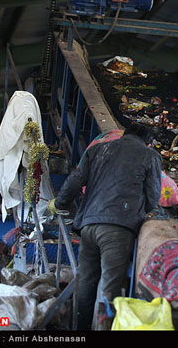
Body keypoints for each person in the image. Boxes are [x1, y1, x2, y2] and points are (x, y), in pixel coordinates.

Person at [47, 123, 162, 330]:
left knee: (85, 282)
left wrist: (59, 203)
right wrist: (148, 213)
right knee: (109, 288)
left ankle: (78, 328)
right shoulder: (150, 156)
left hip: (89, 225)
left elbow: (75, 180)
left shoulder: (98, 149)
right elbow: (153, 196)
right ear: (148, 142)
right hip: (118, 229)